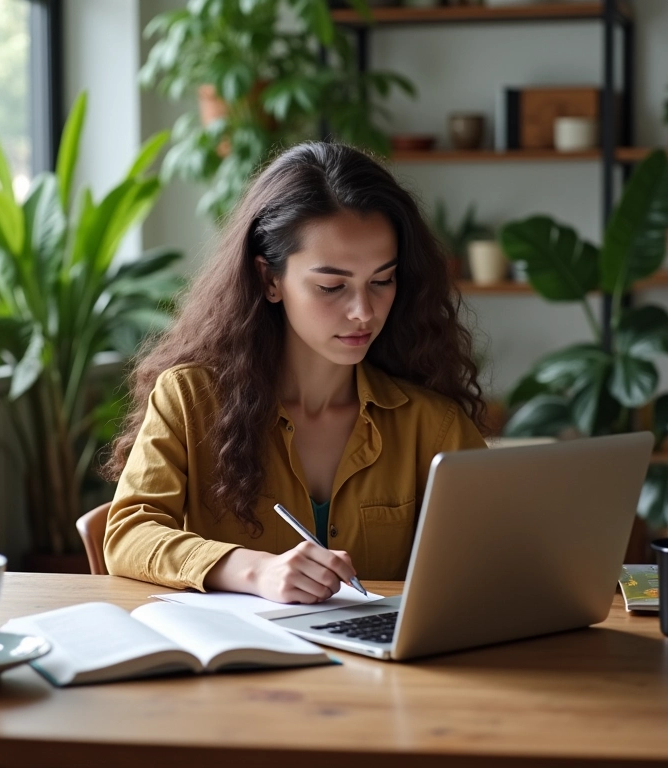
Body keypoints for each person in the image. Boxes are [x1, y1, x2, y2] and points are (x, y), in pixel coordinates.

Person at [103, 141, 487, 604]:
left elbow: (495, 561)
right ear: (269, 280)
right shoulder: (190, 398)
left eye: (382, 280)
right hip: (240, 667)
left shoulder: (435, 424)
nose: (363, 311)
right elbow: (128, 533)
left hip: (390, 670)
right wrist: (252, 569)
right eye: (331, 286)